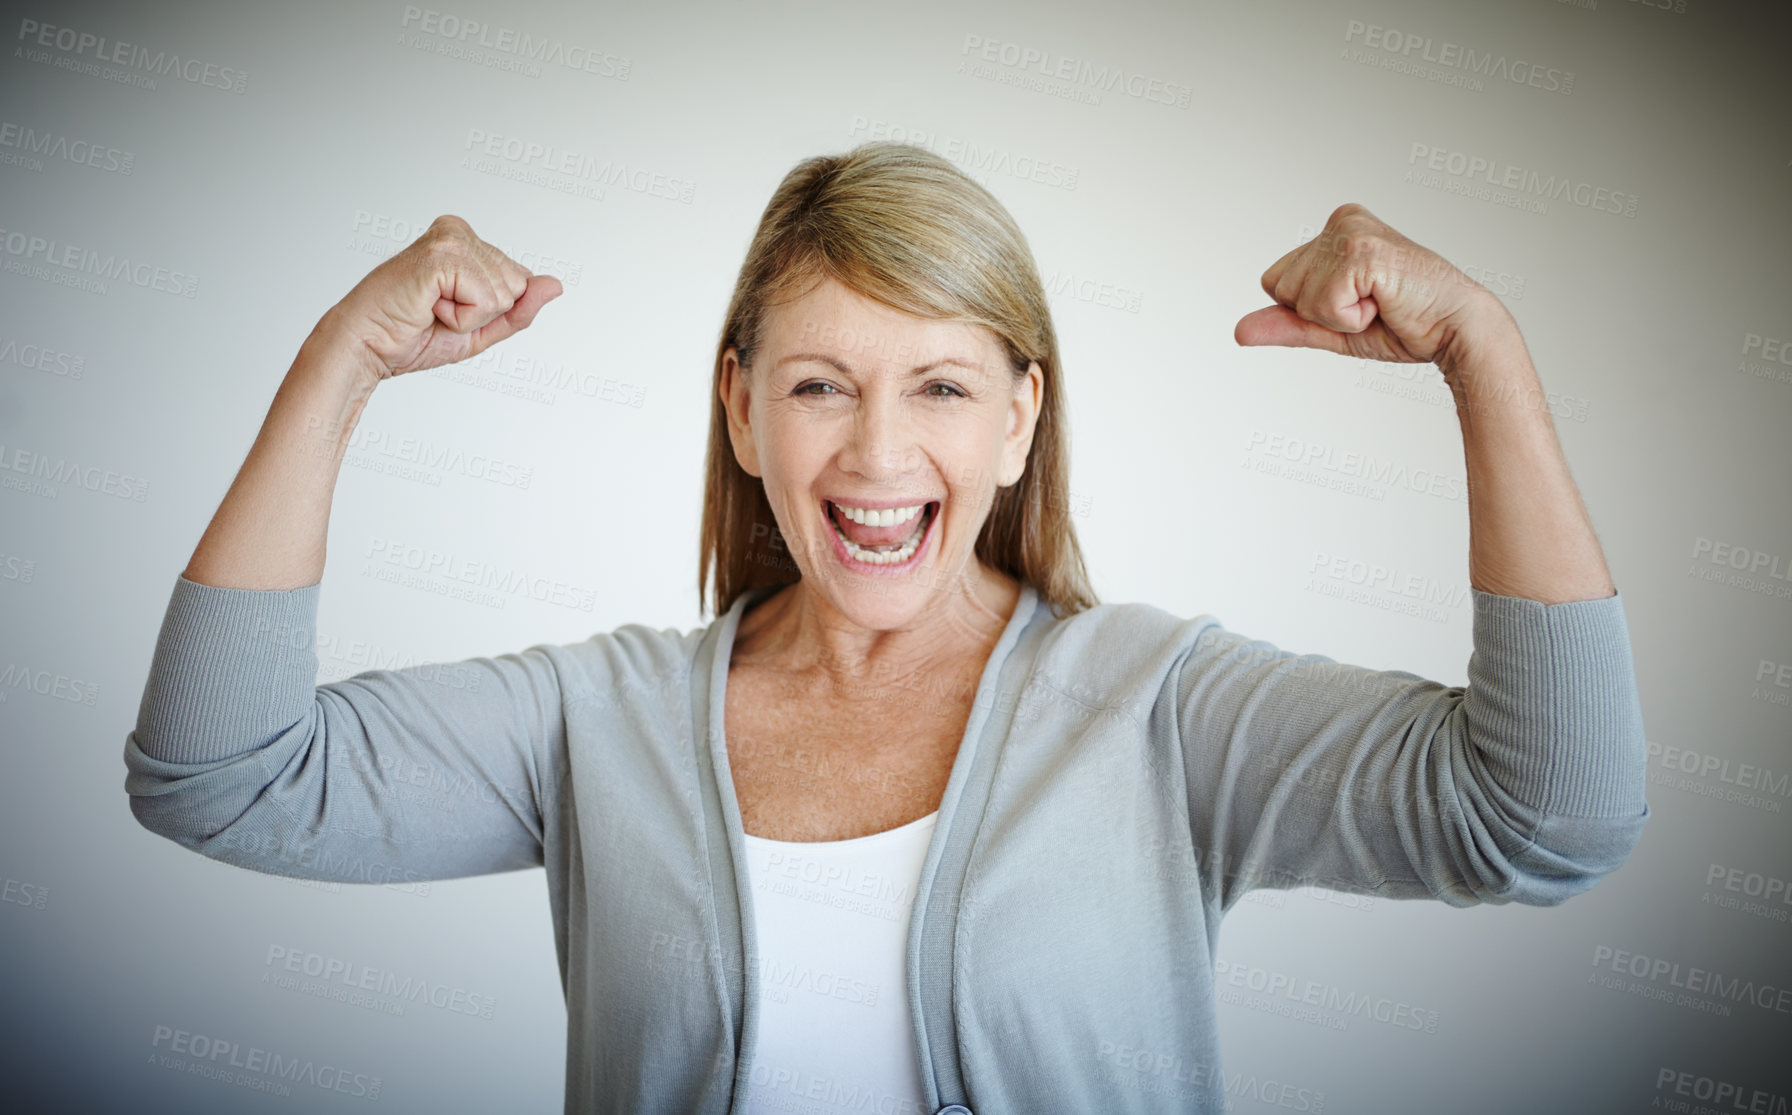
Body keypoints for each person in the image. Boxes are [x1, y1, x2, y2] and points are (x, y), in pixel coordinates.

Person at [125, 141, 1650, 1115]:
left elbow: (1548, 814)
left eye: (940, 385)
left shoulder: (1157, 708)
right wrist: (345, 362)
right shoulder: (599, 720)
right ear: (740, 409)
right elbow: (223, 777)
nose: (874, 453)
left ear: (1018, 419)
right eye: (817, 384)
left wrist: (1480, 351)